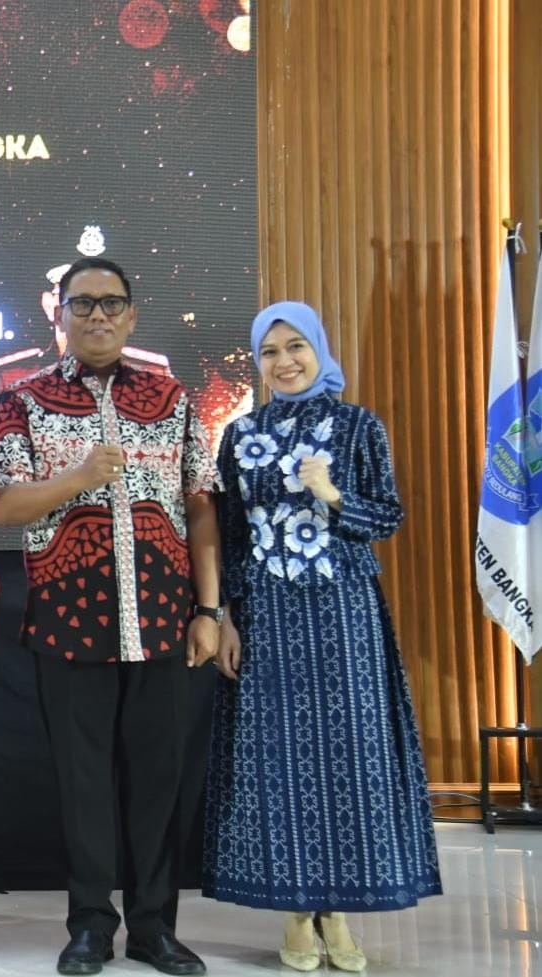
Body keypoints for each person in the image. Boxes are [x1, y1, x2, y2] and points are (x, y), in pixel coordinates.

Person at [0, 256, 220, 977]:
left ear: (131, 315)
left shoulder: (172, 398)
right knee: (81, 785)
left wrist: (210, 609)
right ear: (59, 315)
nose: (96, 315)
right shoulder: (22, 400)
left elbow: (200, 506)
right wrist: (79, 476)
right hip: (68, 622)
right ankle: (89, 926)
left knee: (157, 785)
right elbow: (6, 504)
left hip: (162, 620)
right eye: (81, 303)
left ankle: (153, 928)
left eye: (110, 303)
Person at [201, 301, 440, 972]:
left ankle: (336, 910)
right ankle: (296, 910)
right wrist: (225, 617)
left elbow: (386, 516)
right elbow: (230, 535)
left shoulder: (359, 426)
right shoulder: (240, 434)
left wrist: (333, 495)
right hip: (267, 613)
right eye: (269, 351)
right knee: (279, 759)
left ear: (318, 349)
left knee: (347, 757)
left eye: (296, 346)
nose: (284, 362)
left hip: (344, 611)